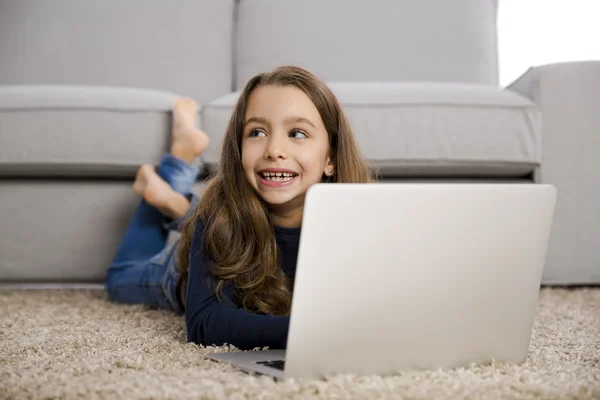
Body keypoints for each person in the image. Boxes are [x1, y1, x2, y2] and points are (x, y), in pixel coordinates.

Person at [105, 66, 375, 351]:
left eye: (297, 133)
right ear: (238, 148)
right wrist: (307, 332)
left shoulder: (361, 220)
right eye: (256, 132)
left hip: (223, 227)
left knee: (200, 217)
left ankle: (177, 203)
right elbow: (204, 322)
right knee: (119, 278)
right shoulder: (218, 213)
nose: (274, 150)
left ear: (329, 158)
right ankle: (170, 177)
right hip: (184, 268)